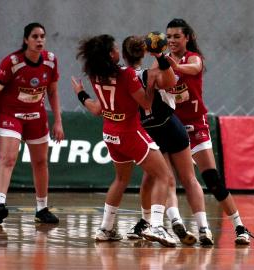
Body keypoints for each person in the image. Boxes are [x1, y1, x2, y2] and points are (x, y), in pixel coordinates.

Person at [71, 34, 176, 247]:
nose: (118, 50)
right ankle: (156, 226)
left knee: (120, 180)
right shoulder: (126, 74)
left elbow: (97, 109)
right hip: (130, 132)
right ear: (111, 54)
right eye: (115, 47)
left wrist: (81, 94)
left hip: (110, 133)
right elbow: (146, 104)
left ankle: (105, 229)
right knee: (164, 175)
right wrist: (151, 84)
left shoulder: (95, 76)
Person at [156, 18, 253, 244]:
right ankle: (175, 223)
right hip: (171, 127)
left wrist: (175, 66)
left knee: (213, 180)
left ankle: (240, 227)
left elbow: (196, 67)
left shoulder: (192, 58)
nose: (171, 40)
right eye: (168, 37)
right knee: (167, 178)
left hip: (195, 126)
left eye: (176, 36)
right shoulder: (161, 62)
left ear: (187, 37)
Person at [121, 35, 213, 246]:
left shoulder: (120, 77)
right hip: (170, 125)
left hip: (148, 130)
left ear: (124, 55)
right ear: (144, 52)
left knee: (159, 179)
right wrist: (161, 58)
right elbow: (171, 81)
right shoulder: (151, 72)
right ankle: (203, 228)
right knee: (188, 178)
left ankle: (163, 221)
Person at [0, 22, 64, 225]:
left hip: (36, 115)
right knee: (8, 158)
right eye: (35, 36)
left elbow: (52, 92)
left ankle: (41, 208)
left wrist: (58, 121)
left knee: (41, 162)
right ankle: (0, 206)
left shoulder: (51, 61)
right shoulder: (12, 62)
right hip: (11, 114)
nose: (40, 40)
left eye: (42, 36)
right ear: (26, 40)